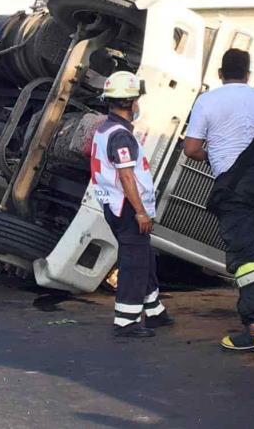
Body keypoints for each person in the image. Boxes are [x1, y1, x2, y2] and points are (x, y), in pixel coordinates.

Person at [184, 49, 254, 353]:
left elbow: (191, 148)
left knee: (246, 258)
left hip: (235, 188)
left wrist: (216, 156)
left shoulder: (207, 101)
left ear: (221, 73)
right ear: (248, 73)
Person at [91, 71, 174, 338]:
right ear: (129, 102)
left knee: (144, 257)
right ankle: (126, 321)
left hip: (114, 206)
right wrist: (140, 212)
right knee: (134, 262)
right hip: (127, 208)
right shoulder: (121, 136)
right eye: (136, 99)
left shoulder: (105, 129)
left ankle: (154, 311)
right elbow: (126, 176)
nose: (139, 104)